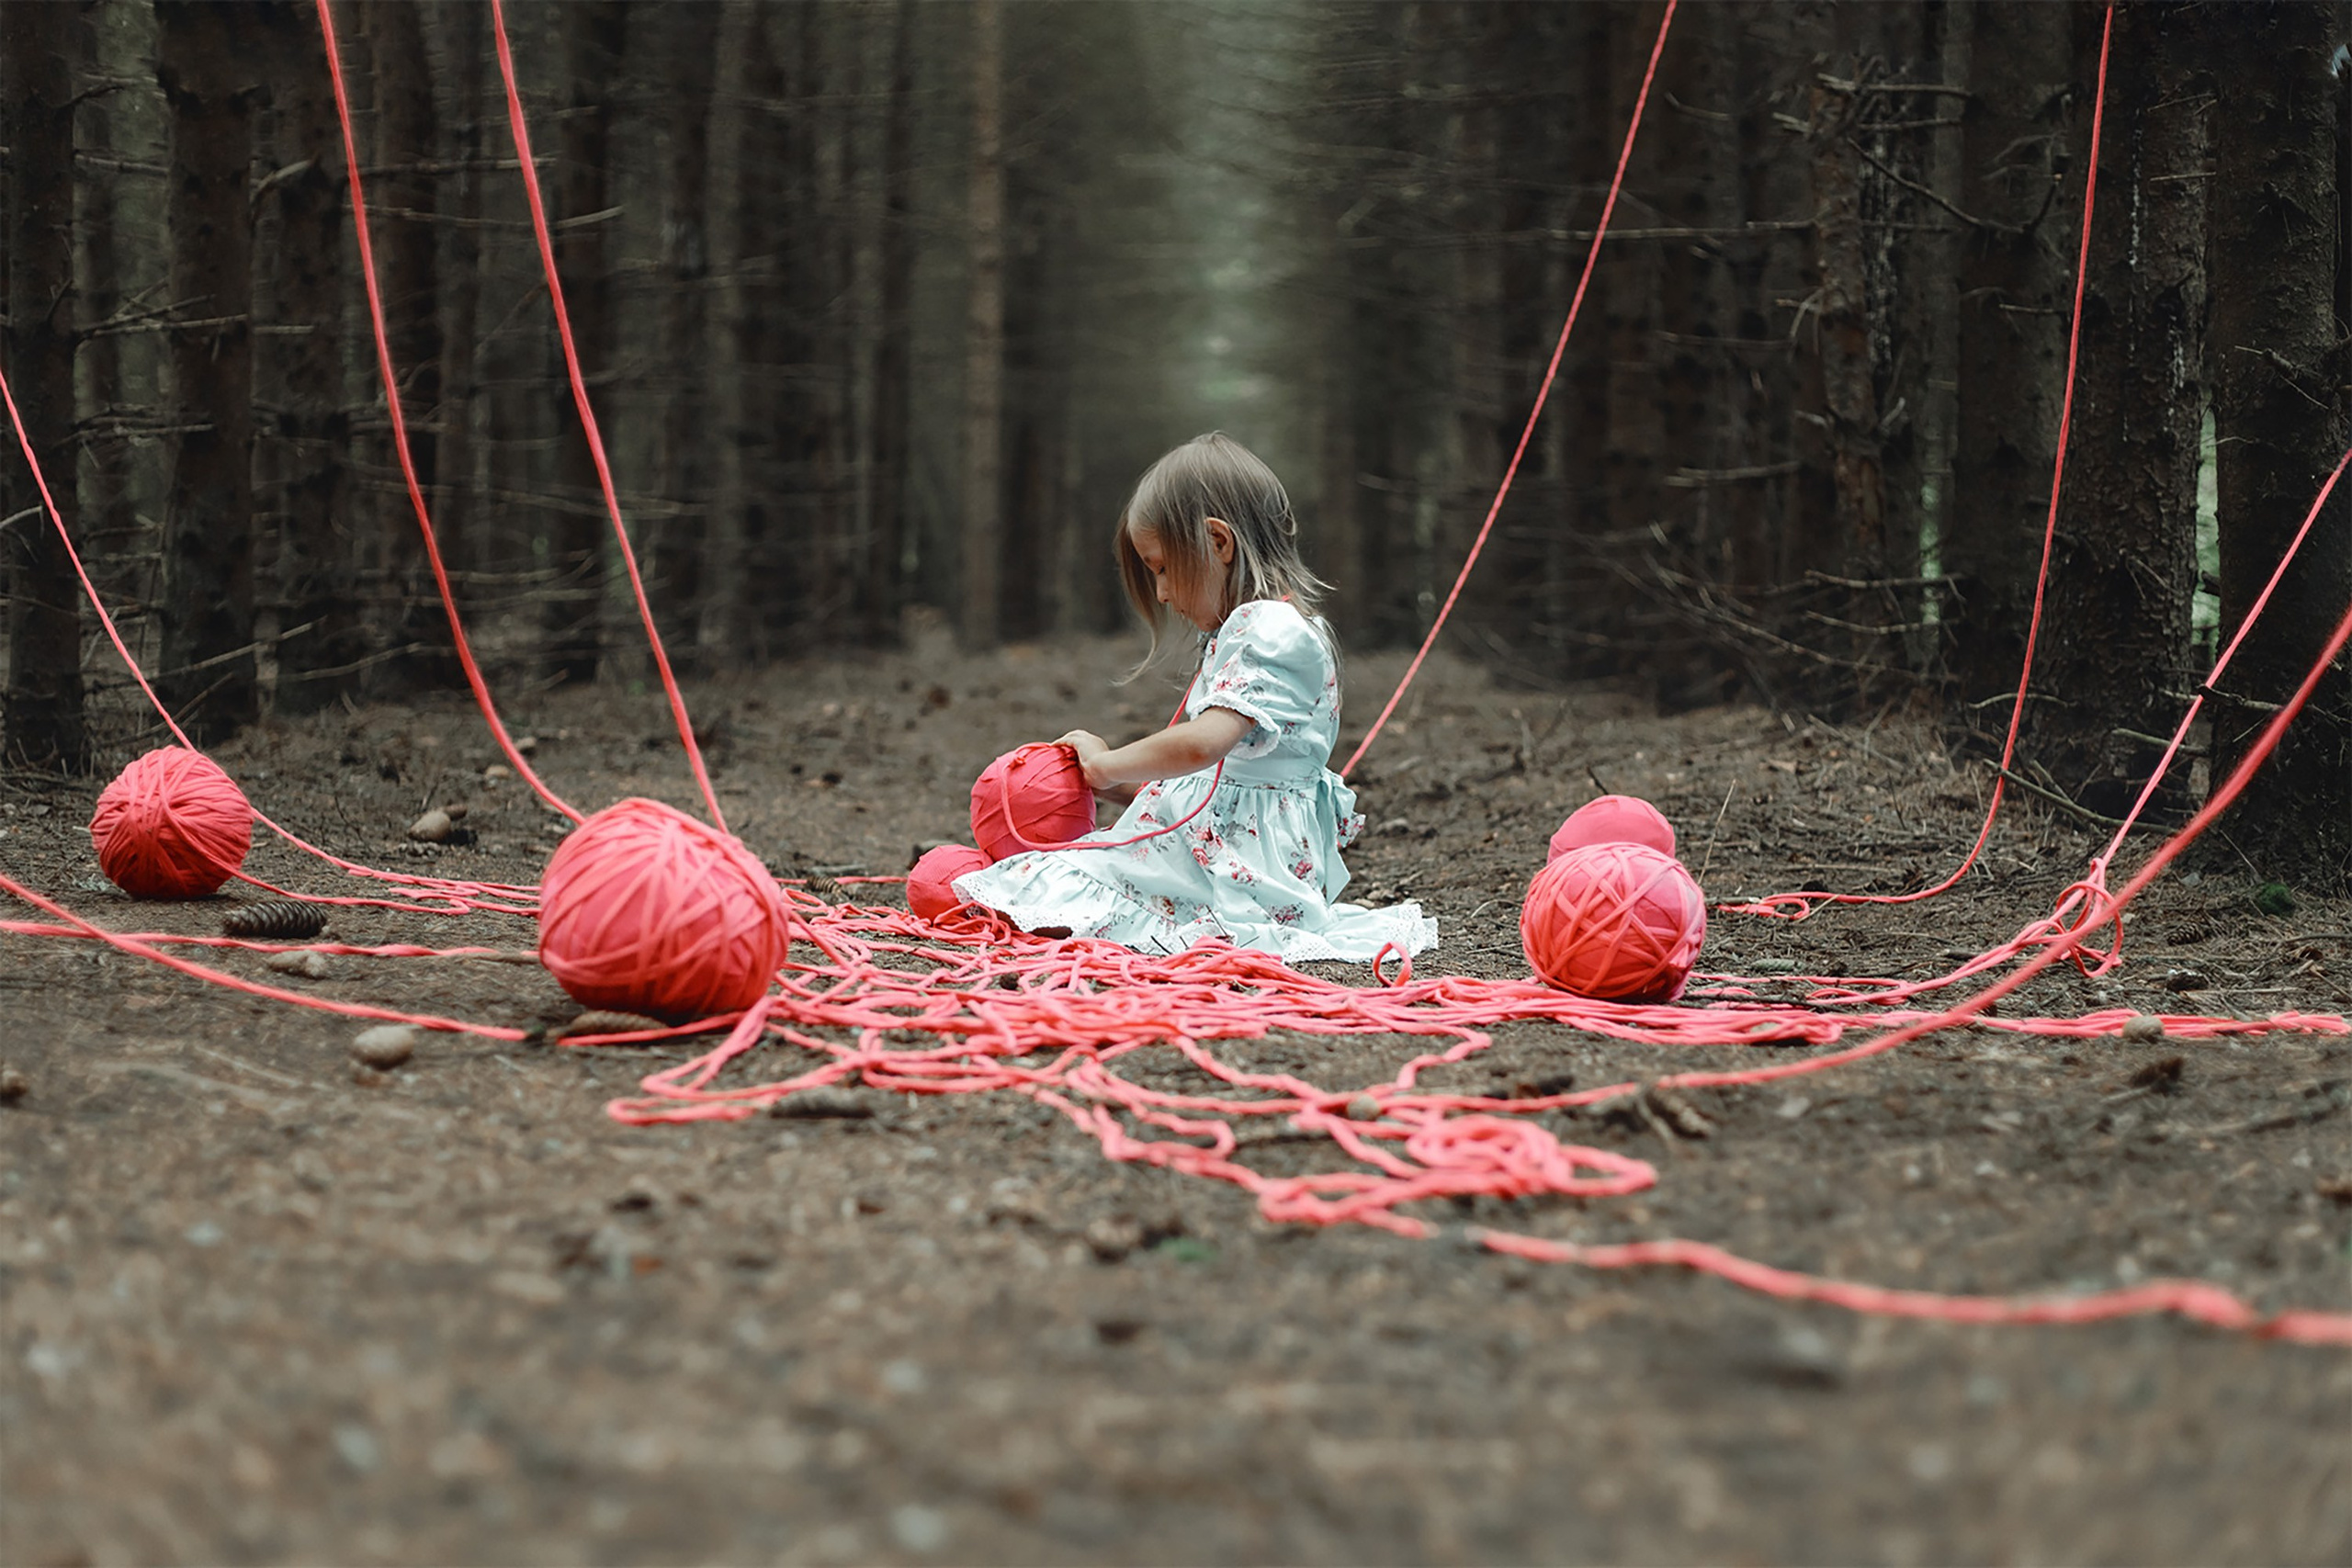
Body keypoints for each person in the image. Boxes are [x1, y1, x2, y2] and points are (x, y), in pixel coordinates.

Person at [954, 433, 1437, 964]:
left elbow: (1204, 745)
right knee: (1056, 876)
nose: (1160, 593)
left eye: (1161, 568)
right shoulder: (1262, 627)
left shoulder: (1269, 627)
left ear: (1219, 543)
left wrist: (1105, 764)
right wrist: (1119, 789)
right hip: (1221, 851)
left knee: (1038, 883)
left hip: (1235, 870)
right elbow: (1221, 781)